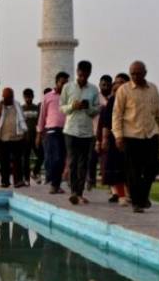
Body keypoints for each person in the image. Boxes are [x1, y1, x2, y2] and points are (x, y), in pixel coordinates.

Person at [114, 62, 159, 213]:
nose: (135, 76)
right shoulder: (124, 90)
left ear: (145, 73)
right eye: (132, 73)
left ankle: (142, 195)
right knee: (133, 171)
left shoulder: (153, 89)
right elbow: (117, 115)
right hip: (131, 135)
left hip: (150, 134)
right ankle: (137, 202)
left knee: (153, 167)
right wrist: (118, 136)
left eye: (138, 73)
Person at [60, 61, 100, 205]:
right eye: (80, 74)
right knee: (73, 162)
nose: (82, 77)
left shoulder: (94, 90)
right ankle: (73, 193)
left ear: (89, 73)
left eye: (85, 74)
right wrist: (72, 106)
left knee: (84, 163)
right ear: (77, 72)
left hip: (86, 131)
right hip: (71, 129)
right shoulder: (67, 87)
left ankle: (79, 192)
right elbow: (62, 108)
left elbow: (96, 110)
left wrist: (88, 108)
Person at [99, 73, 130, 205]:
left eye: (121, 81)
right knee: (117, 167)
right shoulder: (112, 100)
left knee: (130, 167)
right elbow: (106, 122)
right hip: (115, 137)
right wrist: (104, 138)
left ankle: (130, 194)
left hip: (131, 137)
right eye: (116, 82)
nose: (118, 84)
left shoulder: (132, 98)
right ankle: (121, 195)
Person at [38, 72, 70, 194]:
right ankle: (54, 183)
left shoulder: (69, 97)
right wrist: (39, 132)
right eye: (62, 82)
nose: (64, 85)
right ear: (56, 82)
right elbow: (42, 115)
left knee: (61, 159)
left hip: (66, 130)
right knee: (55, 158)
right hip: (51, 130)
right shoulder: (48, 97)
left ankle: (56, 184)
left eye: (66, 83)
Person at [0, 88, 28, 188]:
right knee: (4, 162)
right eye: (7, 97)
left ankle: (18, 181)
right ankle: (5, 181)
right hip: (4, 139)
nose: (10, 99)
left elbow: (22, 120)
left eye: (11, 97)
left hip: (17, 138)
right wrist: (0, 109)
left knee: (17, 161)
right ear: (3, 97)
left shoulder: (17, 105)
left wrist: (24, 135)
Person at [22, 89, 43, 185]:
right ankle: (26, 179)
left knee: (42, 156)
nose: (28, 99)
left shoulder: (37, 108)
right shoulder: (21, 109)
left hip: (35, 137)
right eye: (26, 97)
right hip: (25, 138)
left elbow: (40, 122)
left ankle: (35, 172)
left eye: (29, 97)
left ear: (32, 97)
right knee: (25, 159)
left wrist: (39, 136)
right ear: (24, 97)